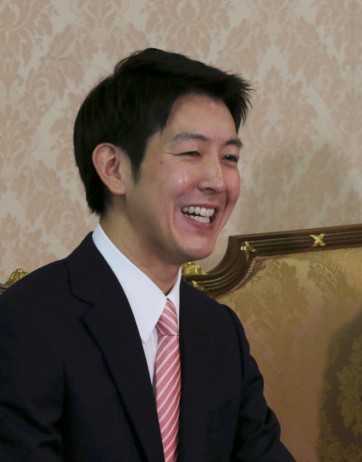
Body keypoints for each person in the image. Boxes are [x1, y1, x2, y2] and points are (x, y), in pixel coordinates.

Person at [0, 48, 294, 461]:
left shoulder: (218, 331)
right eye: (191, 153)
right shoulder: (27, 323)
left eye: (230, 158)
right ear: (114, 168)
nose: (217, 180)